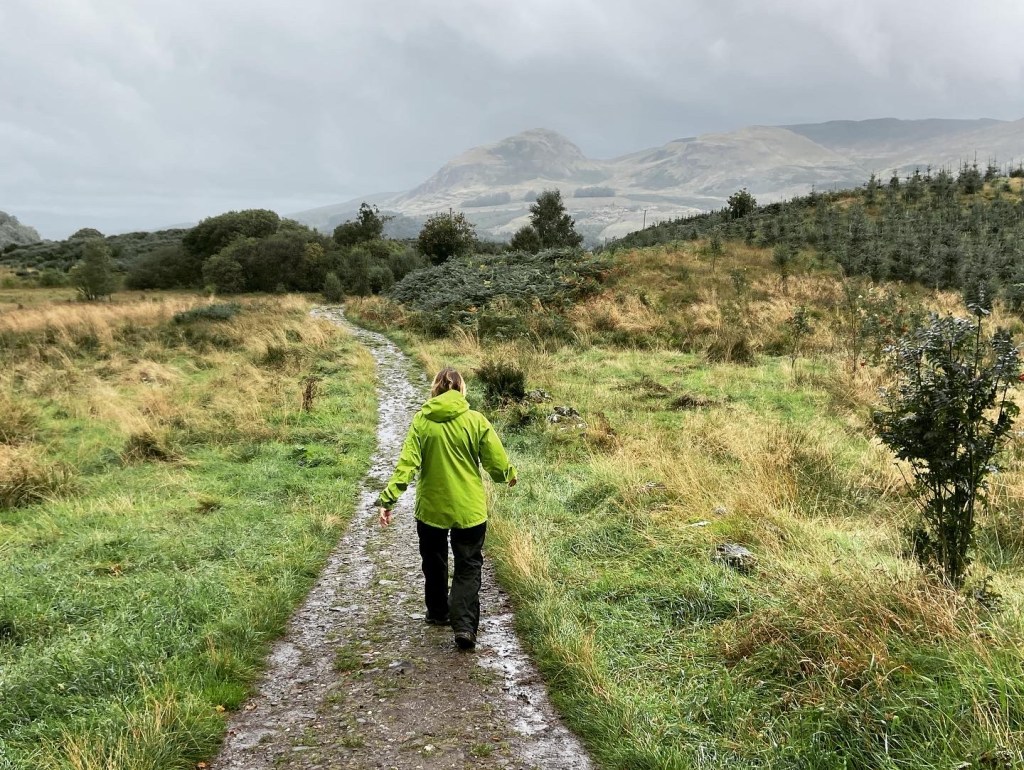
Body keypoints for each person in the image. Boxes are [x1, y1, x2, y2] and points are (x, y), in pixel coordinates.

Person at [376, 367, 517, 650]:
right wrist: (507, 475)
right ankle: (464, 627)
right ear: (461, 390)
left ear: (435, 390)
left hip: (431, 510)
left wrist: (388, 499)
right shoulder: (475, 420)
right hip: (469, 510)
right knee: (468, 565)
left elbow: (407, 465)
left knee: (434, 562)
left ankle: (439, 613)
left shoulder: (422, 422)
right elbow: (496, 460)